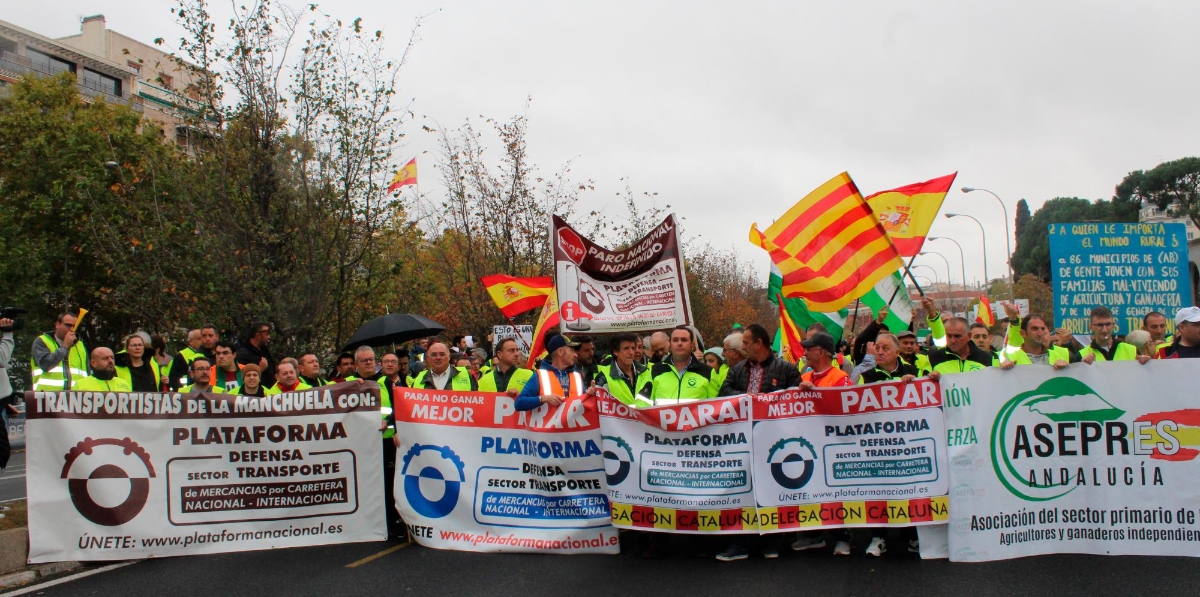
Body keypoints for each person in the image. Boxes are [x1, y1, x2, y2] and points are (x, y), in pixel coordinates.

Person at [346, 346, 404, 541]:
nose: (370, 363)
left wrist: (390, 424)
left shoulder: (386, 382)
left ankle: (390, 523)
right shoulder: (346, 385)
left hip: (385, 442)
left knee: (388, 485)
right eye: (364, 360)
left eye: (371, 359)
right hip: (360, 445)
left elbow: (398, 410)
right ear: (356, 365)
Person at [645, 326, 718, 402]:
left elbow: (716, 406)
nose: (679, 343)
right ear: (670, 344)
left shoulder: (708, 373)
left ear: (692, 344)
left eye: (684, 340)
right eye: (675, 340)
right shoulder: (654, 371)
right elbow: (642, 403)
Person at [516, 334, 585, 411]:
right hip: (549, 423)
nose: (575, 355)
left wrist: (590, 394)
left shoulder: (577, 376)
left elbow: (585, 404)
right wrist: (542, 399)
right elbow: (519, 403)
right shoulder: (540, 375)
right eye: (571, 350)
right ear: (560, 352)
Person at [999, 306, 1077, 369]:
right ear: (1023, 333)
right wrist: (1004, 370)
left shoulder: (1062, 356)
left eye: (1042, 329)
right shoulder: (1011, 360)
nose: (1040, 332)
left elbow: (1081, 373)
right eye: (1035, 329)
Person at [30, 311, 87, 391]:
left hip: (75, 398)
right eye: (68, 325)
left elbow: (87, 373)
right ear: (57, 324)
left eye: (74, 326)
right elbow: (46, 365)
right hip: (47, 396)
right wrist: (65, 346)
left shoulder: (80, 345)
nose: (71, 329)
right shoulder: (42, 341)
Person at [594, 333, 651, 407]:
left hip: (644, 418)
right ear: (615, 351)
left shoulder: (646, 372)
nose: (631, 352)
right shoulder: (603, 377)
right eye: (626, 348)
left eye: (633, 348)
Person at [926, 317, 994, 378]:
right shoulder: (933, 358)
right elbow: (921, 383)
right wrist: (929, 378)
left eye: (957, 336)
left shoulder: (986, 358)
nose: (952, 340)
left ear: (969, 336)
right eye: (949, 336)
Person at [409, 342, 478, 391]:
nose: (438, 357)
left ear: (449, 357)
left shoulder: (466, 376)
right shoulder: (418, 379)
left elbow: (475, 404)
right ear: (428, 358)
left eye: (442, 354)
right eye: (434, 355)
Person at [237, 322, 277, 388]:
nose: (269, 337)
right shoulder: (243, 353)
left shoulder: (264, 349)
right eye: (267, 334)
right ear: (258, 335)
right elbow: (242, 376)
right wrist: (259, 369)